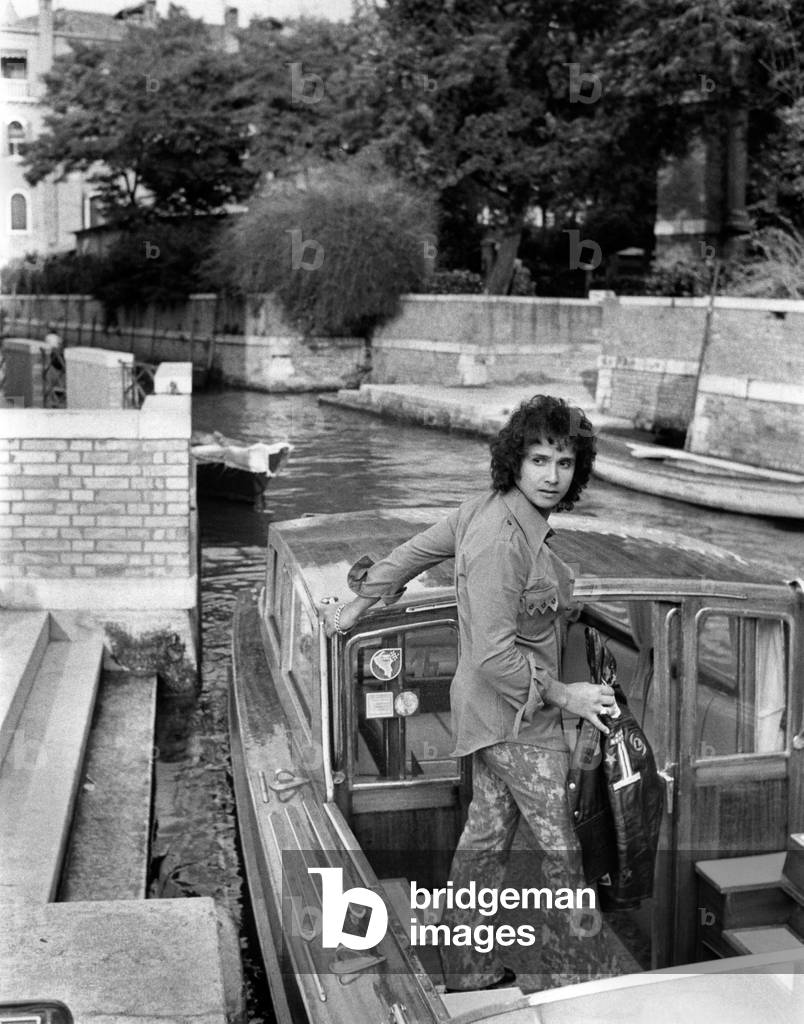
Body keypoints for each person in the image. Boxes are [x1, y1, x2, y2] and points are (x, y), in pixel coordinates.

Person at [322, 394, 618, 991]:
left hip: (487, 718)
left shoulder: (487, 510)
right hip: (519, 722)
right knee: (564, 859)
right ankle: (583, 992)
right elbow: (491, 655)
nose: (552, 476)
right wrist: (571, 697)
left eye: (564, 463)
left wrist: (361, 600)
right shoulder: (499, 542)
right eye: (540, 460)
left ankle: (470, 971)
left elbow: (413, 552)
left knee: (483, 842)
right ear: (516, 460)